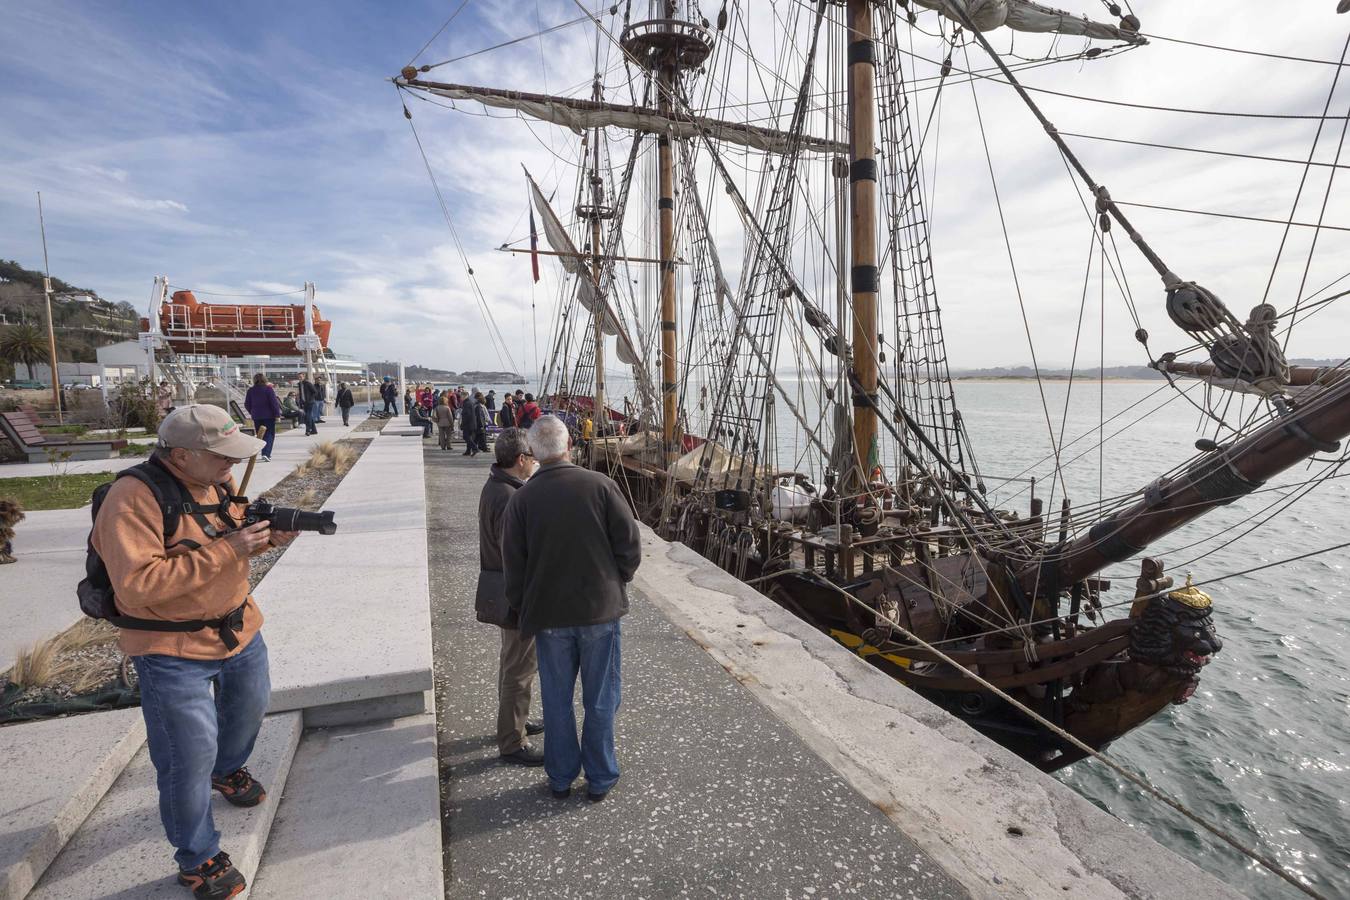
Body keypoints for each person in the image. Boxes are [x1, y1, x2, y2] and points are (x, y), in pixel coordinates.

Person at [91, 405, 299, 898]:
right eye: (222, 455)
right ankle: (198, 856)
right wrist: (231, 550)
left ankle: (227, 771)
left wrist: (265, 540)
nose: (232, 464)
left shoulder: (216, 483)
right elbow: (137, 585)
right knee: (187, 756)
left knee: (249, 710)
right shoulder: (132, 498)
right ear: (181, 455)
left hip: (237, 630)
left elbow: (219, 542)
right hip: (169, 647)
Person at [502, 415, 641, 802]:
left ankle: (561, 777)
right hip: (600, 609)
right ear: (568, 446)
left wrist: (522, 604)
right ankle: (599, 777)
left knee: (558, 700)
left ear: (533, 451)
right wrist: (617, 580)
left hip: (549, 616)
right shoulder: (600, 486)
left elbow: (513, 566)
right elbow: (629, 544)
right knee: (600, 698)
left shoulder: (522, 500)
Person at [476, 428, 545, 765]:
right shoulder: (509, 497)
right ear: (521, 460)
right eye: (531, 458)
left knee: (512, 663)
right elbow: (514, 555)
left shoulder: (496, 487)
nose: (534, 463)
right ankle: (511, 741)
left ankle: (515, 722)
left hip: (501, 589)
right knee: (520, 668)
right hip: (515, 595)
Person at [243, 374, 281, 462]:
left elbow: (247, 404)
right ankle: (266, 454)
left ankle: (263, 453)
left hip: (256, 416)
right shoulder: (268, 389)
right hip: (269, 416)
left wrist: (252, 412)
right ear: (264, 379)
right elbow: (274, 403)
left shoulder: (251, 390)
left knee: (260, 435)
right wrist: (277, 415)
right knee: (269, 434)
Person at [460, 391, 482, 456]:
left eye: (461, 396)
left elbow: (467, 415)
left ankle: (475, 448)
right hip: (471, 423)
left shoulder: (467, 403)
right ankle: (468, 451)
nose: (461, 398)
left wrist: (463, 424)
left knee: (466, 437)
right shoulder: (468, 402)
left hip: (468, 424)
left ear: (465, 396)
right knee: (469, 437)